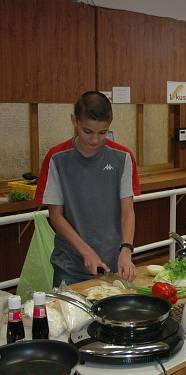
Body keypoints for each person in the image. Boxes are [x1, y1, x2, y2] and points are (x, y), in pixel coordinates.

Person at [35, 91, 140, 286]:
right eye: (87, 131)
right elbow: (56, 216)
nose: (94, 140)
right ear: (74, 120)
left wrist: (126, 250)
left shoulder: (122, 157)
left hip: (112, 263)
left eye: (102, 132)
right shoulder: (57, 158)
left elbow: (127, 211)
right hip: (70, 265)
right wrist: (86, 251)